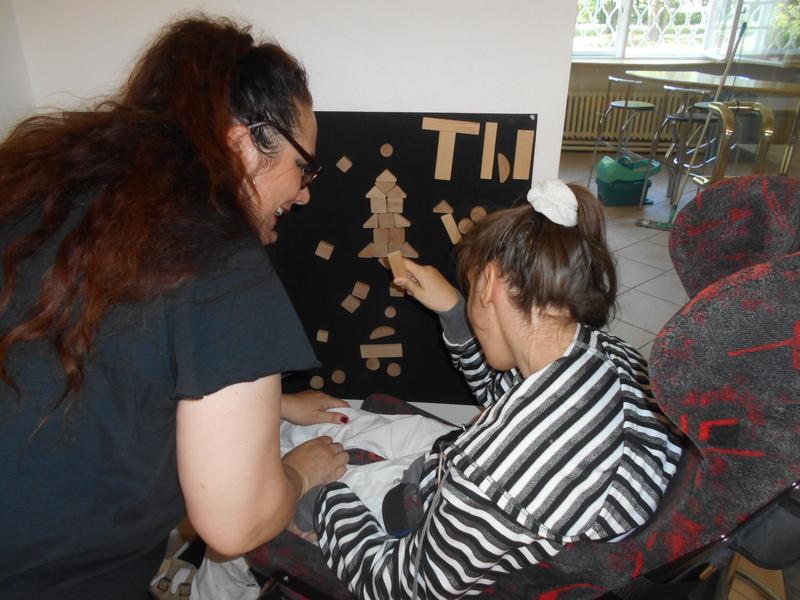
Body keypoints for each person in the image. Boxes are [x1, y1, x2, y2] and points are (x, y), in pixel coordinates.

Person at [0, 17, 349, 600]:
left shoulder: (54, 194)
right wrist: (301, 471)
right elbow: (237, 522)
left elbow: (111, 363)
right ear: (245, 143)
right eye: (304, 167)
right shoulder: (217, 254)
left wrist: (278, 405)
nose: (305, 192)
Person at [312, 180, 686, 599]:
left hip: (422, 529)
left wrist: (323, 491)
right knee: (343, 428)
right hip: (459, 489)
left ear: (489, 281)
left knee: (303, 457)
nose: (470, 299)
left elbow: (403, 587)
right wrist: (455, 310)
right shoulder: (606, 356)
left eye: (471, 287)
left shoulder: (503, 471)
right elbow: (506, 398)